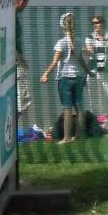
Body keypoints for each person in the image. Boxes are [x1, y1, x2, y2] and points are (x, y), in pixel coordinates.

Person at [41, 12, 89, 144]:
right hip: (79, 77)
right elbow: (81, 60)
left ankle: (66, 137)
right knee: (79, 106)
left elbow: (55, 62)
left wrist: (46, 74)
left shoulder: (61, 43)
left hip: (65, 78)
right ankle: (79, 135)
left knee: (67, 107)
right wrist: (88, 72)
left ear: (62, 26)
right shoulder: (79, 41)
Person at [15, 0, 32, 126]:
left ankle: (11, 128)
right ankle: (12, 127)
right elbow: (11, 44)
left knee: (20, 99)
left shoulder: (11, 16)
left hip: (13, 61)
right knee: (23, 99)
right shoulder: (12, 18)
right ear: (21, 2)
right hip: (16, 62)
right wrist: (22, 62)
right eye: (25, 4)